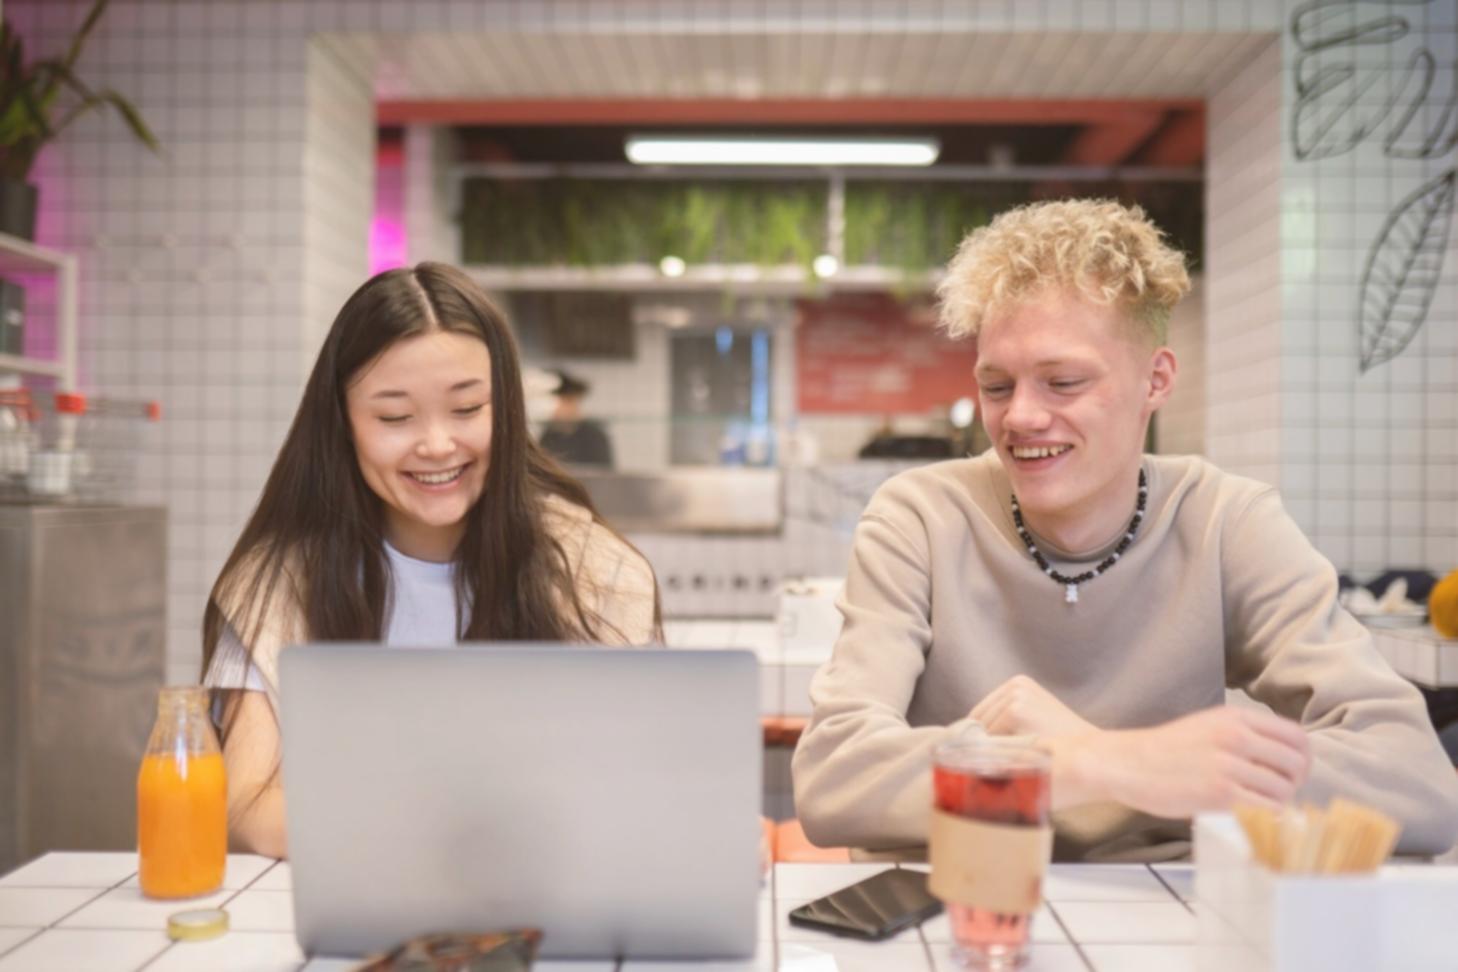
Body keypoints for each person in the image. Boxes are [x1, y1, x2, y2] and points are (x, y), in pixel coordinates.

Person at [791, 199, 1458, 862]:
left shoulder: (1227, 522)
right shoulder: (920, 517)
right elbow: (832, 779)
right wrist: (1091, 764)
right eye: (997, 387)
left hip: (1169, 920)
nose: (1021, 417)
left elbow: (1421, 785)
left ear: (1156, 380)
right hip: (952, 912)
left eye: (1063, 382)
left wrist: (1117, 762)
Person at [200, 263, 660, 859]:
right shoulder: (282, 580)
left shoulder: (592, 568)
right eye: (394, 417)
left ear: (509, 409)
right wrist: (446, 838)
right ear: (342, 425)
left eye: (467, 409)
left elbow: (635, 781)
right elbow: (249, 809)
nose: (438, 445)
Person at [538, 369, 614, 468]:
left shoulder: (595, 436)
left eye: (563, 401)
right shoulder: (549, 435)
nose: (555, 407)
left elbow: (605, 475)